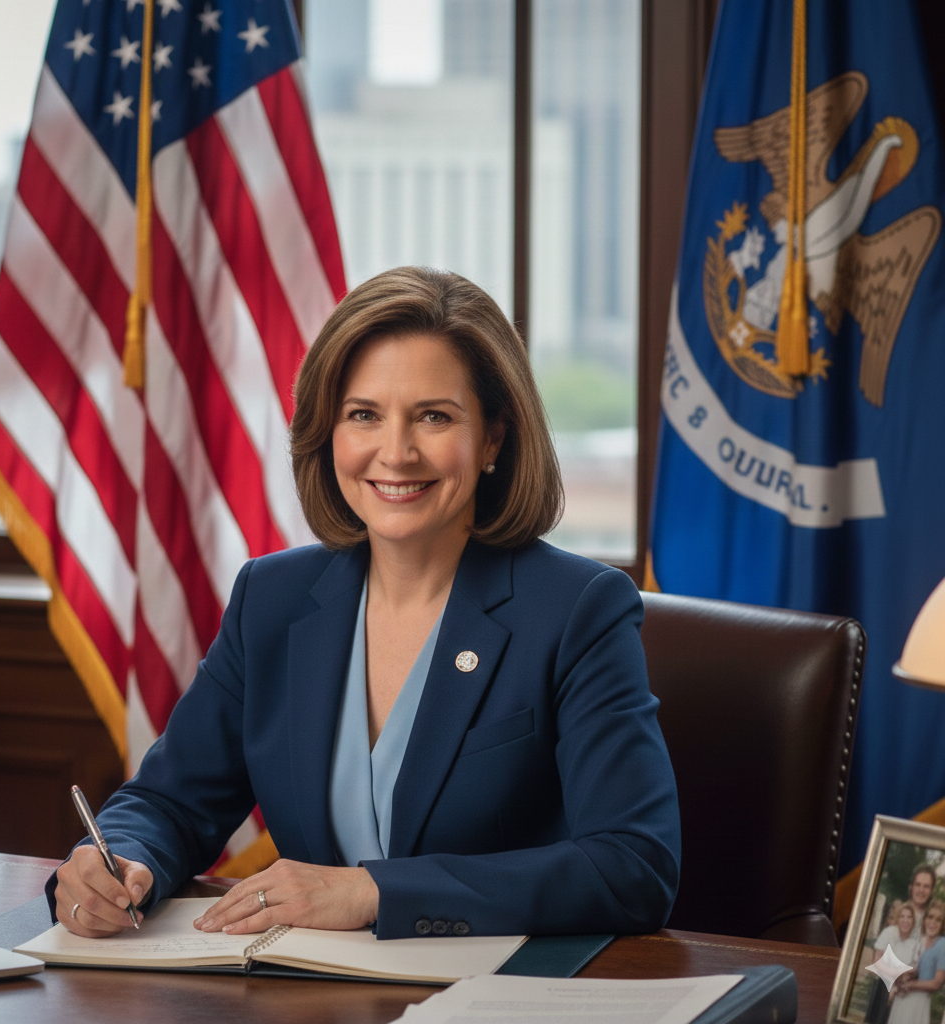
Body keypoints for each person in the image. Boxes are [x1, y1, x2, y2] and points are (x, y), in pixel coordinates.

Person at [49, 266, 681, 940]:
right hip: (305, 999)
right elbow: (168, 802)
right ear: (330, 433)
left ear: (494, 437)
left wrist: (376, 891)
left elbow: (632, 866)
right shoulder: (272, 598)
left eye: (434, 416)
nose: (396, 452)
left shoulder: (578, 610)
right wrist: (118, 856)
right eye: (364, 416)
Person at [887, 901, 945, 1024]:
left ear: (943, 924)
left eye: (938, 920)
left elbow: (937, 983)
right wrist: (897, 985)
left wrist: (911, 985)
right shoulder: (919, 940)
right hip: (902, 998)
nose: (933, 923)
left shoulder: (942, 945)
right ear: (924, 920)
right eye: (930, 917)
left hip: (919, 1001)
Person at [867, 903, 920, 1024]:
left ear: (913, 920)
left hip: (902, 988)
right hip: (882, 984)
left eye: (909, 917)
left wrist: (896, 986)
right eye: (902, 916)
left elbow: (914, 969)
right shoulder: (888, 932)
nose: (905, 920)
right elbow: (877, 960)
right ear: (897, 918)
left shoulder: (916, 942)